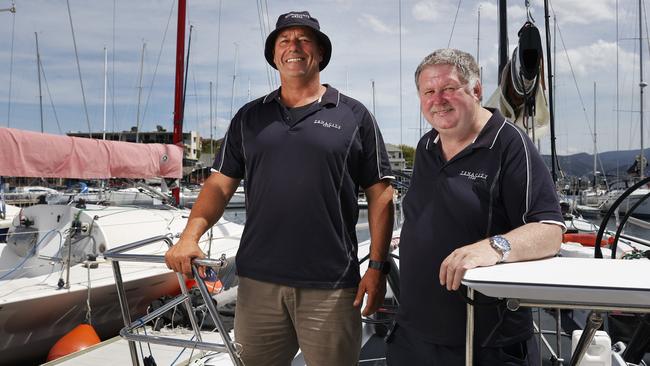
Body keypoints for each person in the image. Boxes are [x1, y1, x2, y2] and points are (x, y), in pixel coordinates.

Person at [165, 10, 395, 366]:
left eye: (304, 39)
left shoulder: (354, 115)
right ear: (274, 56)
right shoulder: (249, 117)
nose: (294, 47)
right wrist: (189, 236)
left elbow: (380, 195)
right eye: (284, 41)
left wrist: (377, 268)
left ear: (319, 53)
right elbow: (219, 186)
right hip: (257, 284)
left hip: (332, 286)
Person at [386, 48, 565, 365]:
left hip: (481, 341)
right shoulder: (428, 145)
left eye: (449, 89)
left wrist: (495, 246)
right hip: (414, 333)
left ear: (477, 91)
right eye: (428, 91)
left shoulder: (509, 144)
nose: (437, 100)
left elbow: (549, 231)